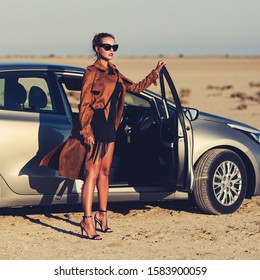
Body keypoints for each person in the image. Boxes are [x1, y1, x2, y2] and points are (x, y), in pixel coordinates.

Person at [40, 32, 166, 240]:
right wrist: (86, 130)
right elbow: (84, 103)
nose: (111, 51)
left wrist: (155, 73)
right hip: (96, 127)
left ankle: (102, 215)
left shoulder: (114, 72)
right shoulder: (92, 72)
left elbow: (134, 88)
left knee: (105, 173)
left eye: (114, 47)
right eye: (107, 47)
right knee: (92, 174)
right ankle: (87, 220)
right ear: (97, 48)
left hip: (110, 128)